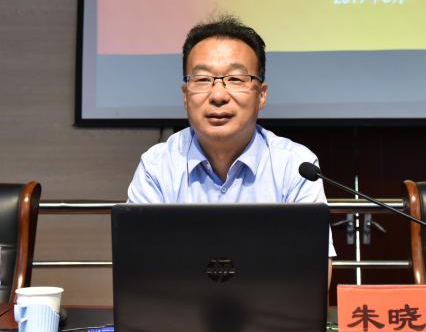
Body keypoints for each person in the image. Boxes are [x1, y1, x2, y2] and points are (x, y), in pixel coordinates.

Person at [127, 13, 336, 257]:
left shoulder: (294, 166)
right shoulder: (157, 166)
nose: (218, 96)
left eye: (235, 79)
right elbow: (139, 264)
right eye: (202, 79)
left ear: (261, 95)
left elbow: (313, 268)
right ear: (185, 95)